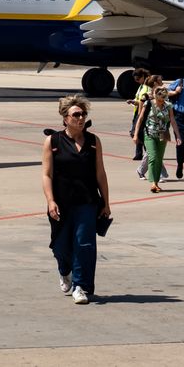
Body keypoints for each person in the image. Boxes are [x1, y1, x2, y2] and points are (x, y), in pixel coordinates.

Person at [42, 94, 111, 305]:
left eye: (83, 114)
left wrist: (106, 203)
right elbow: (47, 174)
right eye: (76, 114)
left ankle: (81, 286)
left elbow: (100, 173)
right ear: (65, 118)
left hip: (87, 201)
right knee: (61, 246)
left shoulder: (93, 141)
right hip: (61, 202)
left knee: (84, 244)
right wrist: (50, 201)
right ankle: (65, 271)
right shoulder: (53, 141)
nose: (80, 118)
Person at [133, 86, 179, 193]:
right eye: (160, 98)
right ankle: (153, 182)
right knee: (153, 156)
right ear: (155, 95)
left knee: (159, 159)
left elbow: (172, 121)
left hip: (163, 135)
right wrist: (135, 134)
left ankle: (156, 183)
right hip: (149, 134)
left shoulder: (168, 106)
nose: (161, 100)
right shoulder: (148, 104)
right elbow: (140, 119)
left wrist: (178, 136)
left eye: (163, 98)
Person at [134, 74, 169, 182]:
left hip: (162, 127)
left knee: (152, 152)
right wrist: (136, 132)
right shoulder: (146, 96)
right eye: (160, 81)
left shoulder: (163, 95)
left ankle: (141, 170)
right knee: (153, 152)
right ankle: (161, 174)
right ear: (155, 84)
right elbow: (140, 114)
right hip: (148, 129)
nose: (162, 82)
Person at [125, 67, 150, 160]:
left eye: (138, 79)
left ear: (143, 76)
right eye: (135, 80)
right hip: (137, 111)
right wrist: (133, 101)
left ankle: (148, 150)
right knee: (137, 132)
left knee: (136, 133)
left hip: (143, 112)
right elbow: (139, 98)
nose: (137, 81)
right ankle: (139, 153)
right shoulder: (141, 86)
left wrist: (136, 102)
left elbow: (146, 101)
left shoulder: (148, 86)